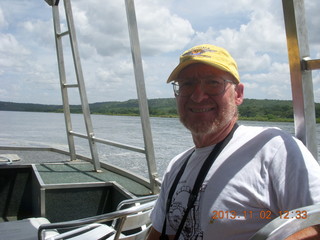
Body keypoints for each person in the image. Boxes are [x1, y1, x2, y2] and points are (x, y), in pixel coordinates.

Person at [147, 44, 320, 240]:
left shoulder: (274, 148)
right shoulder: (176, 167)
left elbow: (315, 222)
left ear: (238, 94)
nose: (197, 95)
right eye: (187, 84)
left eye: (213, 83)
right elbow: (161, 233)